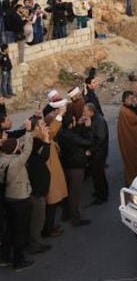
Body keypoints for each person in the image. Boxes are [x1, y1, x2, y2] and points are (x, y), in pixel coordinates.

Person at [0, 124, 35, 271]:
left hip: (8, 197)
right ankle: (18, 261)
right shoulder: (16, 163)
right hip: (20, 198)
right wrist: (28, 131)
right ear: (15, 150)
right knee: (20, 231)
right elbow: (28, 149)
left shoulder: (2, 159)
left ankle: (4, 257)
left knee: (10, 229)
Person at [58, 113, 92, 226]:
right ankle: (75, 218)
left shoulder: (62, 133)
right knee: (74, 193)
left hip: (66, 165)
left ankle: (66, 214)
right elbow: (87, 141)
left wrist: (78, 125)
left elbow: (73, 135)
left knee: (67, 191)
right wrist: (87, 128)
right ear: (70, 124)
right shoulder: (71, 137)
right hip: (76, 167)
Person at [26, 117, 52, 254]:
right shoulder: (33, 142)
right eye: (41, 124)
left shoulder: (35, 140)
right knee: (37, 219)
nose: (44, 125)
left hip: (38, 188)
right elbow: (42, 159)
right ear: (36, 128)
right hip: (36, 190)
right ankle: (35, 245)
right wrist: (46, 141)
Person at [43, 102, 68, 238]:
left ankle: (50, 226)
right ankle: (49, 229)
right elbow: (52, 132)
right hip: (50, 175)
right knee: (51, 204)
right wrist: (59, 116)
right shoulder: (44, 136)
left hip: (52, 173)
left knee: (52, 205)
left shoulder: (44, 135)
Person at [117, 91, 137, 186]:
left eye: (134, 98)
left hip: (134, 140)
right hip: (130, 142)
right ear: (125, 100)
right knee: (135, 161)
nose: (133, 100)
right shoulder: (125, 112)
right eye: (131, 99)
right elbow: (136, 119)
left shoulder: (129, 108)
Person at [83, 103, 109, 204]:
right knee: (96, 175)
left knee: (99, 175)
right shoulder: (94, 119)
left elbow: (99, 139)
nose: (83, 113)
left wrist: (91, 150)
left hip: (99, 154)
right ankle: (99, 192)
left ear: (91, 111)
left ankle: (102, 196)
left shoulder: (99, 121)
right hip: (97, 153)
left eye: (85, 111)